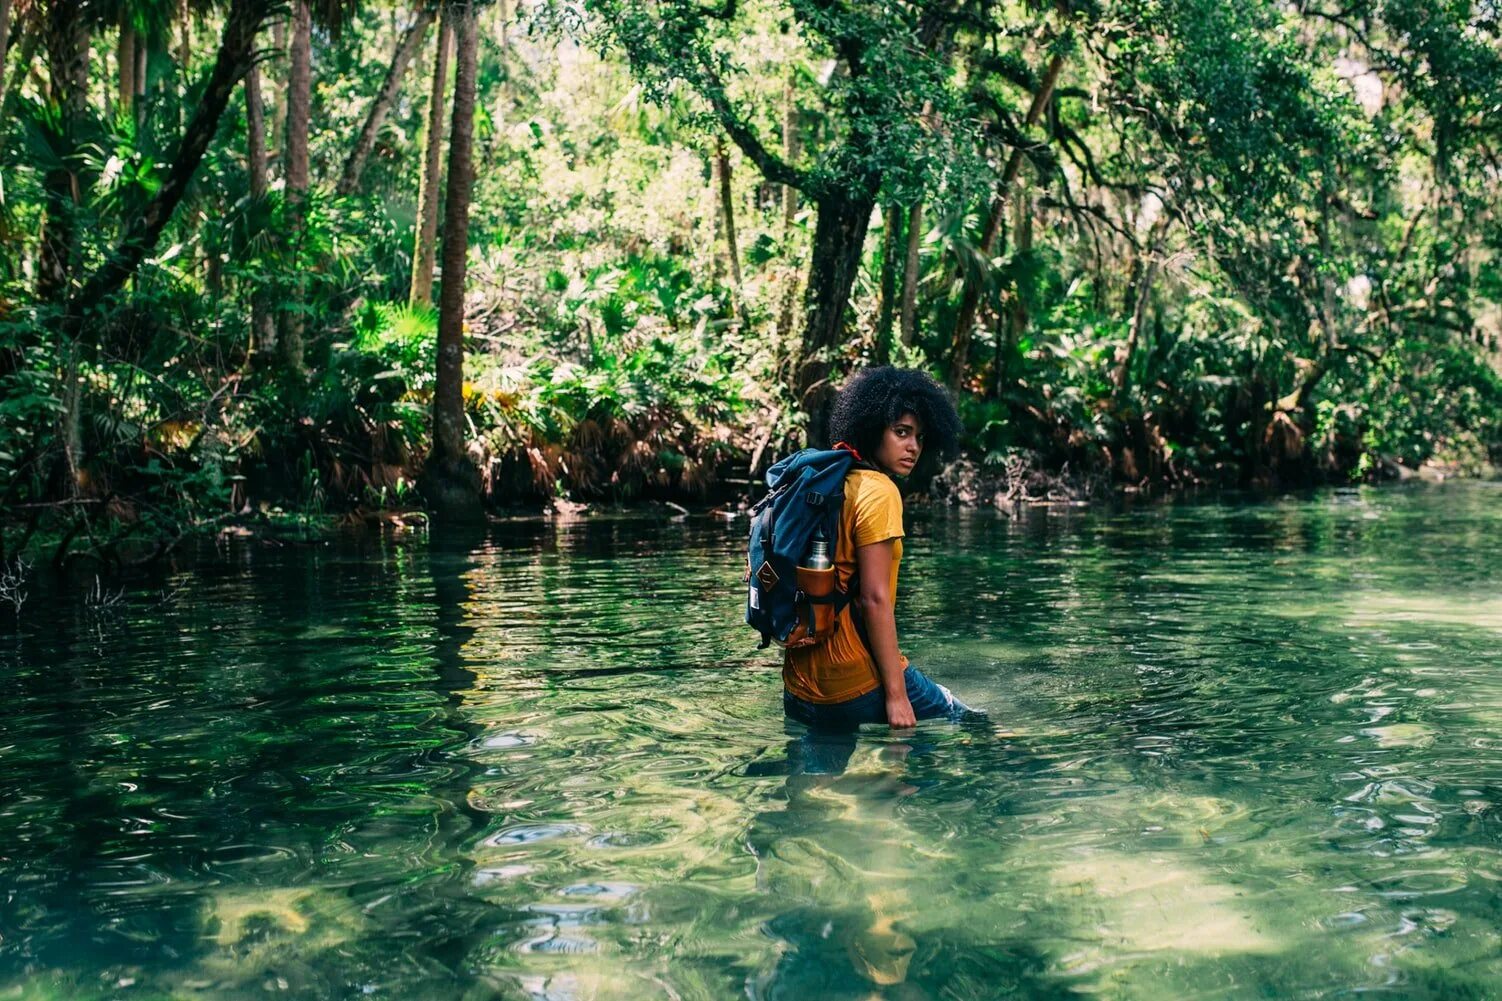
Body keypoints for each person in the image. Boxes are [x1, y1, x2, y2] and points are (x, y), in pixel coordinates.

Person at [782, 366, 971, 732]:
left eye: (919, 436)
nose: (913, 446)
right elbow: (874, 599)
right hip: (855, 681)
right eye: (901, 432)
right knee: (968, 723)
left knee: (813, 779)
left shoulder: (826, 484)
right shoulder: (880, 491)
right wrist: (897, 696)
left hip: (801, 687)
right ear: (871, 429)